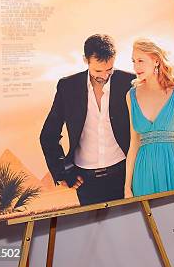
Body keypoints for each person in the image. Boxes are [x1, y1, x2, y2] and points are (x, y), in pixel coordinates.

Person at [40, 34, 135, 206]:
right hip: (85, 181)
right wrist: (61, 171)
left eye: (109, 69)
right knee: (92, 231)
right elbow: (48, 135)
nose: (105, 76)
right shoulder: (68, 87)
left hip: (124, 174)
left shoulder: (128, 82)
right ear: (86, 60)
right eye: (98, 70)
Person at [124, 38, 174, 198]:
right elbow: (133, 144)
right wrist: (127, 187)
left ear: (155, 60)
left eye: (140, 60)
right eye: (133, 61)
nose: (136, 66)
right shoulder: (131, 96)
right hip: (143, 173)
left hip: (173, 168)